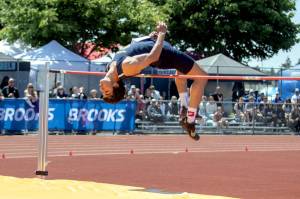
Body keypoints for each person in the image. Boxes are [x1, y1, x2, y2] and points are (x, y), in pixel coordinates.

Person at [99, 22, 207, 140]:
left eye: (103, 92)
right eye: (107, 92)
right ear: (115, 85)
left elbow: (131, 47)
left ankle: (185, 108)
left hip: (156, 44)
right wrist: (162, 33)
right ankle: (190, 120)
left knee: (181, 73)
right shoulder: (127, 67)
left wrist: (148, 38)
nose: (102, 89)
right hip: (164, 54)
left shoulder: (109, 67)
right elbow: (153, 57)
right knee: (202, 77)